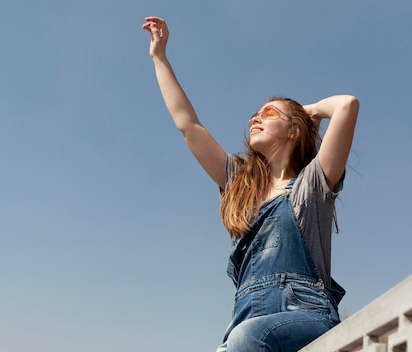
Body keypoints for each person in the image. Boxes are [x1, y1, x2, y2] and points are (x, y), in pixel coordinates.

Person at [142, 16, 359, 352]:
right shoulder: (241, 185)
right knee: (242, 338)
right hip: (246, 323)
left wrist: (311, 111)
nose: (256, 117)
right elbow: (189, 126)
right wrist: (159, 57)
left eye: (269, 113)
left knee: (247, 338)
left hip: (305, 314)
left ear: (294, 131)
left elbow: (346, 105)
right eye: (255, 114)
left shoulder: (310, 186)